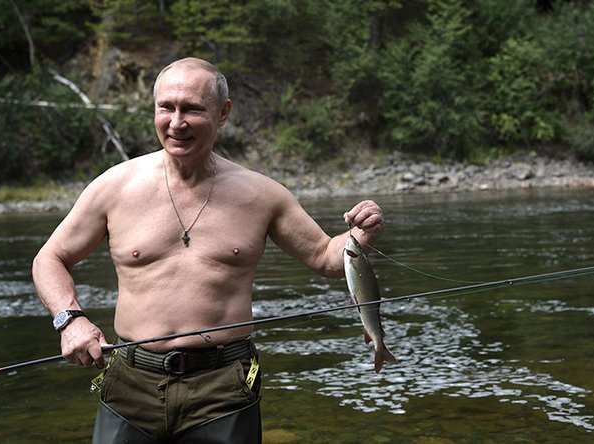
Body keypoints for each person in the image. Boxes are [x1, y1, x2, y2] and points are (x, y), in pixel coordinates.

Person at [32, 57, 385, 443]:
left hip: (225, 384)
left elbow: (325, 256)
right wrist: (70, 321)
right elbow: (50, 258)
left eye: (192, 109)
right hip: (130, 382)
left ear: (223, 112)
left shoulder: (261, 195)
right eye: (166, 107)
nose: (176, 122)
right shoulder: (115, 187)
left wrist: (357, 237)